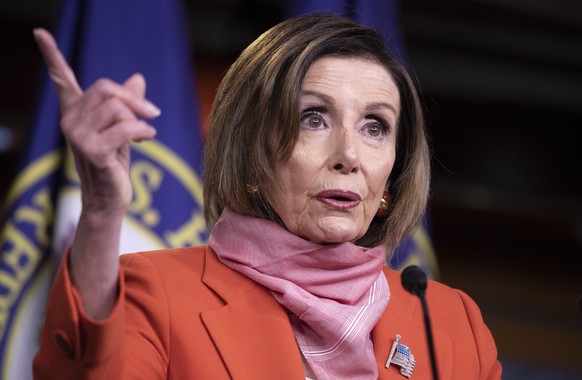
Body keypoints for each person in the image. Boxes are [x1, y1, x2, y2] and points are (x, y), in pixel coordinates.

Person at [32, 14, 501, 379]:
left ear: (395, 167)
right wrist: (101, 208)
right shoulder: (159, 296)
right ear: (252, 150)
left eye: (375, 126)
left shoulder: (450, 324)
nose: (349, 155)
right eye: (313, 118)